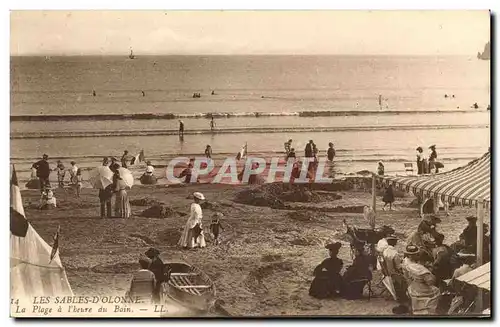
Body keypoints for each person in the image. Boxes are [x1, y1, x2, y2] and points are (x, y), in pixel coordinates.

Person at [402, 245, 440, 315]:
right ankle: (429, 311)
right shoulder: (420, 269)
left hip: (411, 287)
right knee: (437, 290)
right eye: (417, 254)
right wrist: (430, 271)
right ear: (415, 255)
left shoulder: (405, 262)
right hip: (421, 290)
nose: (418, 255)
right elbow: (430, 282)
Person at [383, 236, 408, 312]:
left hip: (387, 272)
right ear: (393, 242)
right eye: (395, 241)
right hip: (395, 273)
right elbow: (398, 266)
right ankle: (403, 297)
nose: (396, 242)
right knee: (407, 278)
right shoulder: (395, 253)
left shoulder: (385, 251)